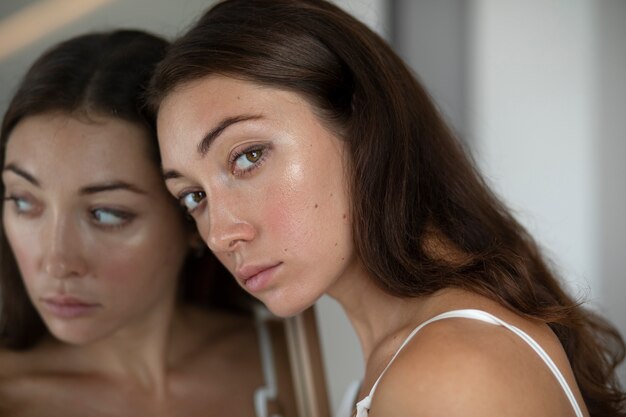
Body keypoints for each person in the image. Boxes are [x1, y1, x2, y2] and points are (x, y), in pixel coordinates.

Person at [148, 0, 626, 416]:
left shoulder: (449, 372)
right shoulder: (412, 351)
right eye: (194, 197)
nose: (220, 233)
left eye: (248, 156)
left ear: (362, 127)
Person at [0, 29, 279, 417]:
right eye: (23, 201)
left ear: (191, 217)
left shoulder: (292, 358)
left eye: (107, 214)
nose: (56, 262)